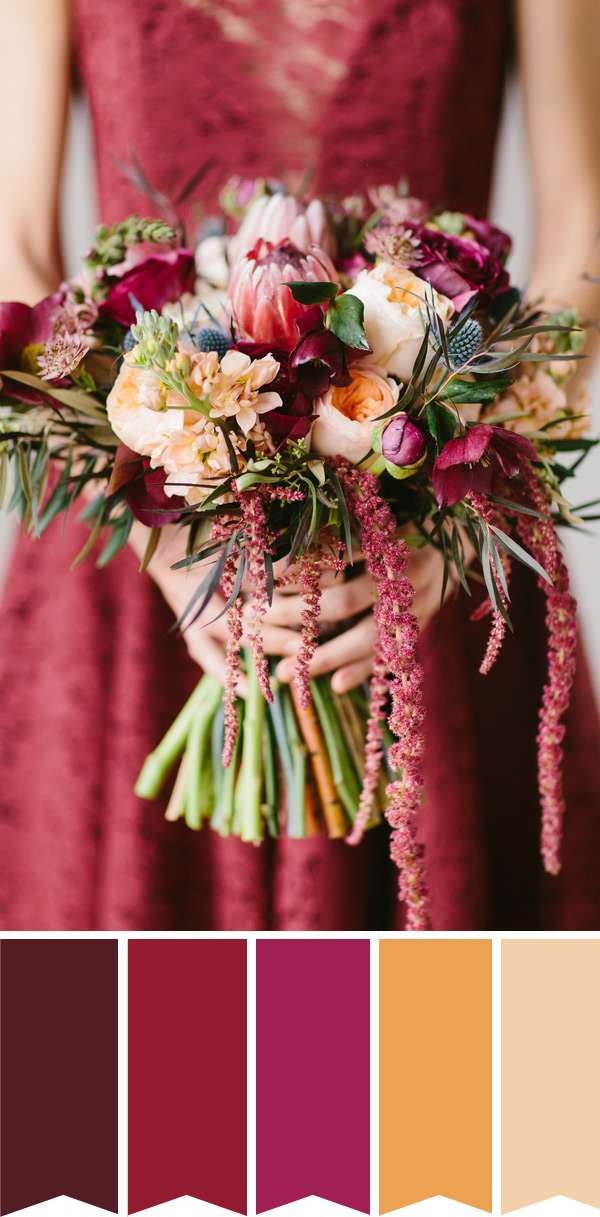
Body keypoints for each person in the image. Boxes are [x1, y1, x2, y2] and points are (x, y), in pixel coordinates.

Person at [0, 0, 599, 930]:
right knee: (126, 1062)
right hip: (140, 549)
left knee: (443, 1067)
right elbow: (14, 247)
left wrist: (454, 517)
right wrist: (153, 529)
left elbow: (584, 235)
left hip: (435, 529)